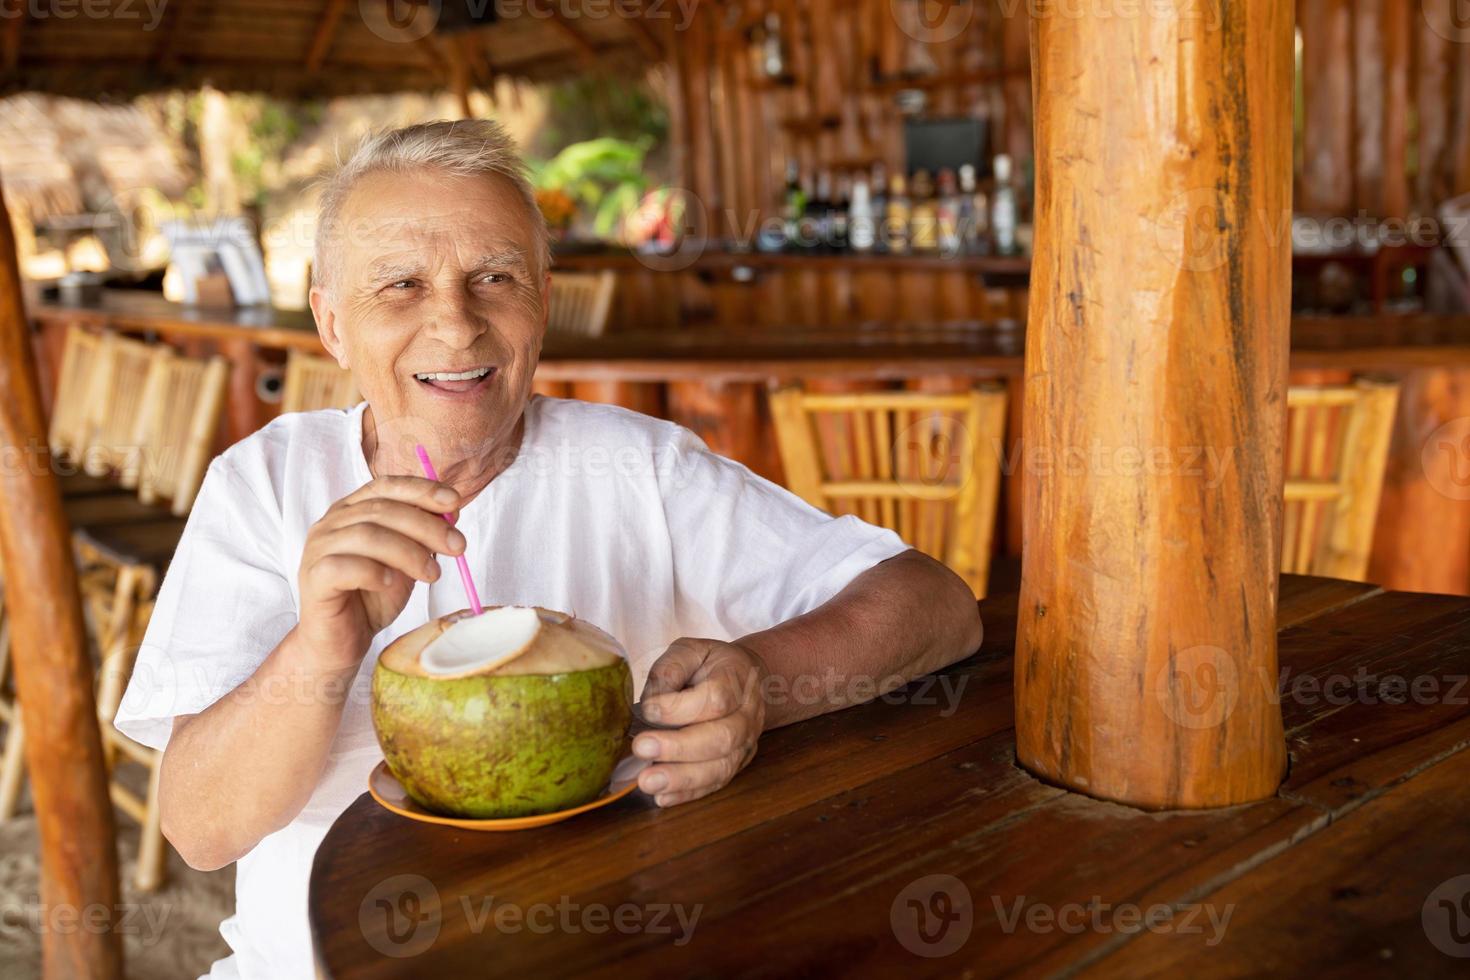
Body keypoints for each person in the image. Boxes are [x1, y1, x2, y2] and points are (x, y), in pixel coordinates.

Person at [114, 119, 983, 979]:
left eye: (495, 277)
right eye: (402, 286)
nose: (456, 327)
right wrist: (320, 645)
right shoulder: (266, 483)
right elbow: (198, 829)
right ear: (332, 324)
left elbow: (935, 604)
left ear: (542, 301)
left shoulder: (639, 465)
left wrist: (759, 680)